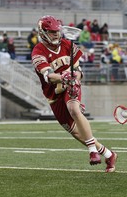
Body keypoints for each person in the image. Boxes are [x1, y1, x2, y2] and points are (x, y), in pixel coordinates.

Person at [31, 15, 117, 172]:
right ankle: (109, 154)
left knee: (74, 110)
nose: (56, 34)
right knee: (76, 132)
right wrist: (64, 77)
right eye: (52, 32)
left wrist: (75, 78)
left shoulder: (68, 45)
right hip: (54, 93)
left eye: (57, 31)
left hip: (70, 86)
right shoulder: (38, 51)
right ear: (43, 33)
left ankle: (92, 151)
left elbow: (78, 70)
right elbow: (49, 76)